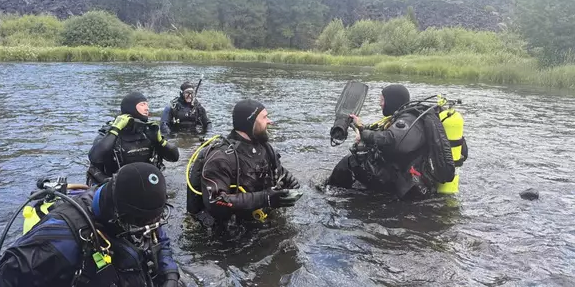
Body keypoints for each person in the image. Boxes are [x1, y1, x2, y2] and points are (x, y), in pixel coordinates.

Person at [0, 162, 181, 287]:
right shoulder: (60, 237)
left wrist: (170, 273)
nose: (152, 225)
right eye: (143, 221)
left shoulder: (139, 214)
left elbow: (159, 239)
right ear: (118, 214)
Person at [327, 84, 460, 199]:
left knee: (351, 161)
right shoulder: (406, 116)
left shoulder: (408, 120)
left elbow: (392, 140)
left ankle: (329, 190)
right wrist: (361, 127)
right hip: (404, 174)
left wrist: (364, 135)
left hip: (409, 184)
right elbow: (384, 134)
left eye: (382, 100)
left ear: (392, 101)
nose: (380, 103)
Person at [186, 99, 301, 228]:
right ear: (249, 122)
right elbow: (215, 202)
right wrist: (265, 199)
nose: (269, 121)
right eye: (264, 117)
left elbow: (275, 171)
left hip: (258, 220)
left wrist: (290, 181)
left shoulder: (265, 148)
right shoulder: (220, 158)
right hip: (228, 232)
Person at [87, 91, 179, 185]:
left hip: (146, 182)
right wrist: (115, 129)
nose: (147, 108)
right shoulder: (111, 133)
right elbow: (94, 158)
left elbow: (174, 157)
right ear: (131, 107)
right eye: (142, 104)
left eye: (147, 105)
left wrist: (161, 141)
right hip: (115, 186)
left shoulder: (149, 131)